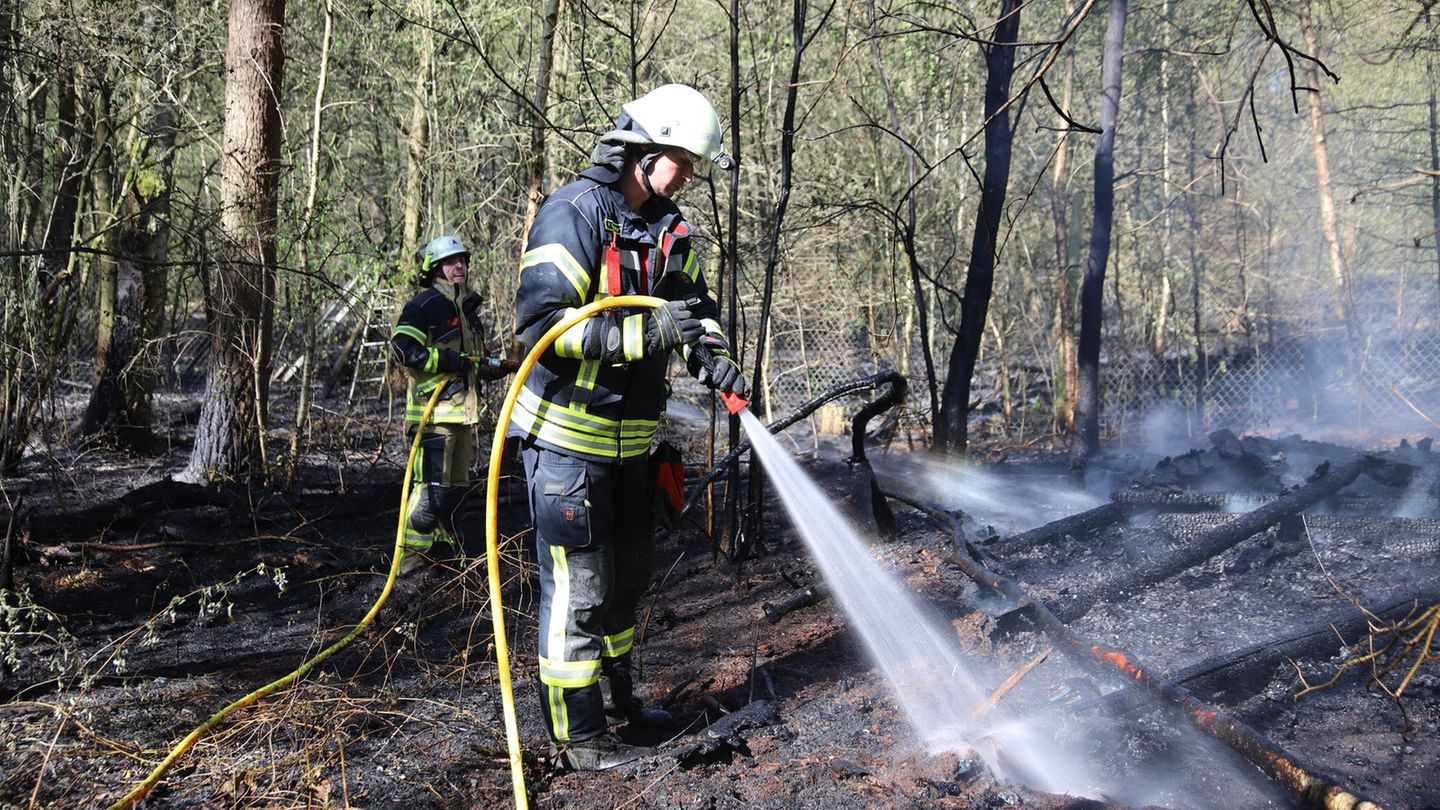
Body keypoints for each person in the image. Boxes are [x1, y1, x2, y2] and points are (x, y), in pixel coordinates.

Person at [512, 84, 749, 771]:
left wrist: (718, 363)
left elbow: (694, 311)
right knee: (579, 592)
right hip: (567, 445)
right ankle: (579, 736)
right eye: (683, 159)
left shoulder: (669, 229)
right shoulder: (573, 214)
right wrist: (649, 333)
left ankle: (619, 706)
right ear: (641, 150)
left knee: (627, 583)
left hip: (632, 448)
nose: (691, 174)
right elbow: (543, 328)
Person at [390, 235, 517, 576]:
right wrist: (445, 359)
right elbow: (403, 350)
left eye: (462, 259)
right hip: (433, 417)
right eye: (450, 261)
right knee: (430, 493)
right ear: (434, 268)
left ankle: (441, 557)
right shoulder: (424, 306)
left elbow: (473, 361)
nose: (458, 265)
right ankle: (408, 566)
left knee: (456, 492)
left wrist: (498, 367)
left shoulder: (468, 310)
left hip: (463, 416)